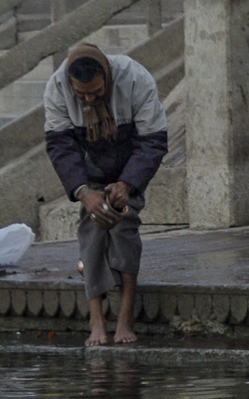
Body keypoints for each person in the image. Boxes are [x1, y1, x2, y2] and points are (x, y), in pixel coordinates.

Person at [44, 43, 168, 346]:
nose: (89, 99)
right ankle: (96, 320)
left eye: (97, 92)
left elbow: (153, 141)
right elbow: (61, 147)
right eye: (82, 94)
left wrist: (126, 185)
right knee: (93, 226)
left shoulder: (135, 78)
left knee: (123, 225)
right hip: (89, 167)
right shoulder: (57, 87)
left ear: (107, 76)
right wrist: (83, 191)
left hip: (129, 162)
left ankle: (125, 318)